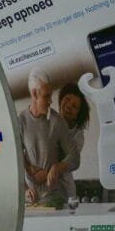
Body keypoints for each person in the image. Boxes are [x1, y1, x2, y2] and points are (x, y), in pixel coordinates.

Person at [19, 68, 80, 204]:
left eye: (50, 95)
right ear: (34, 94)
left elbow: (75, 158)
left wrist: (57, 168)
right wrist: (25, 185)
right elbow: (14, 158)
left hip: (54, 198)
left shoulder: (57, 121)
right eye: (46, 96)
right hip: (30, 199)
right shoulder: (20, 121)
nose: (50, 101)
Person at [57, 82, 90, 201]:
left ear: (77, 116)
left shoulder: (77, 135)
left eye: (74, 106)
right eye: (67, 99)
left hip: (64, 191)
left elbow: (66, 161)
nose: (69, 105)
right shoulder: (46, 120)